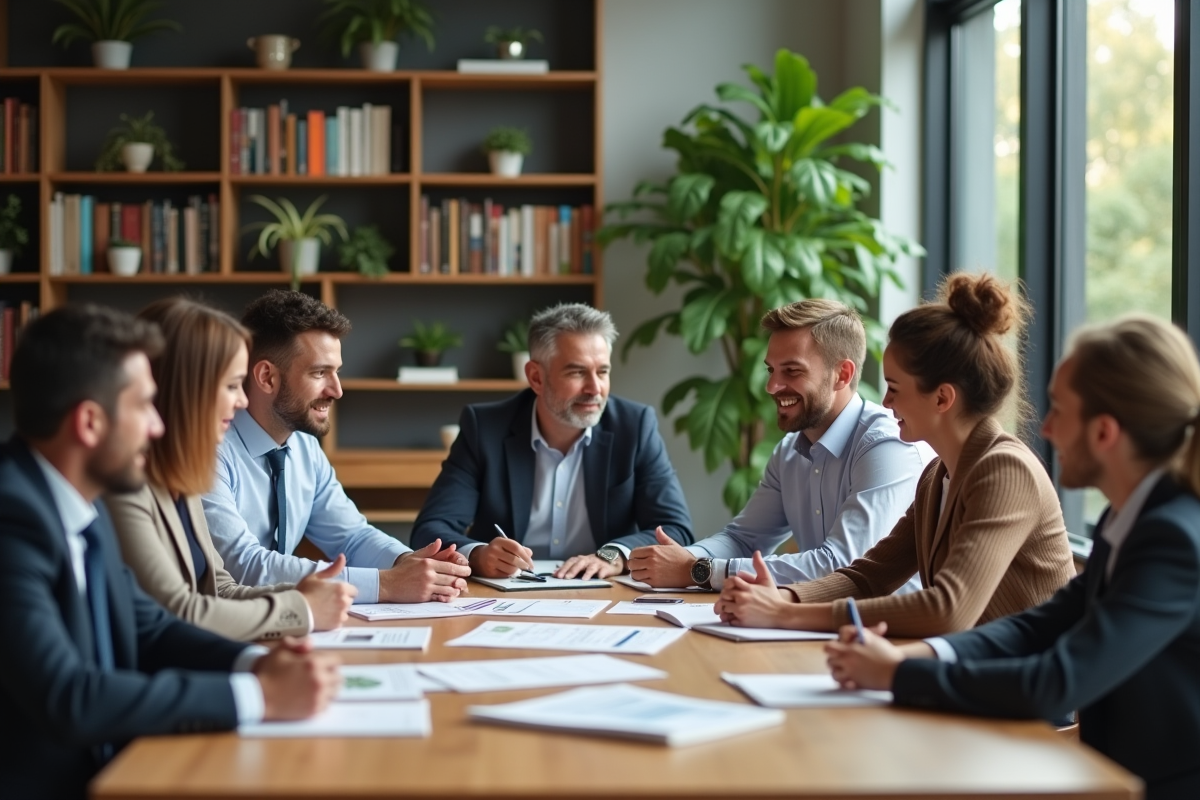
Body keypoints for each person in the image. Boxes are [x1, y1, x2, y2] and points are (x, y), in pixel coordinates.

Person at [825, 315, 1200, 800]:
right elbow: (1039, 624)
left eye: (1060, 410)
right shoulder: (1129, 518)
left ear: (1105, 432)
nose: (1045, 427)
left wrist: (899, 673)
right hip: (1111, 773)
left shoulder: (1170, 539)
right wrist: (918, 655)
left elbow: (1055, 682)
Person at [0, 305, 340, 800]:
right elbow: (69, 696)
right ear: (90, 423)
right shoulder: (13, 517)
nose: (158, 427)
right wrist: (257, 695)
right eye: (144, 406)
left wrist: (255, 665)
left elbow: (151, 627)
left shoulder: (78, 505)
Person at [715, 274, 1074, 635]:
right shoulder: (937, 475)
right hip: (972, 669)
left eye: (894, 388)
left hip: (1028, 684)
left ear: (942, 398)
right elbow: (869, 576)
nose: (885, 402)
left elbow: (948, 609)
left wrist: (785, 614)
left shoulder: (1006, 470)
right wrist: (785, 598)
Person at [627, 299, 929, 591]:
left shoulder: (886, 446)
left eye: (792, 371)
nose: (772, 387)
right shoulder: (789, 452)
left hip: (892, 635)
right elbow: (743, 539)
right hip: (820, 624)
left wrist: (698, 571)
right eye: (771, 370)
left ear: (842, 374)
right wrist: (685, 559)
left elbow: (842, 565)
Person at [106, 298, 356, 641]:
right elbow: (179, 611)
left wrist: (303, 598)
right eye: (231, 385)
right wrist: (302, 609)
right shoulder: (126, 487)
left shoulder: (183, 476)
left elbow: (218, 587)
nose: (242, 400)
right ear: (186, 390)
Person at [202, 290, 471, 603]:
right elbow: (243, 566)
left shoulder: (305, 449)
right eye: (319, 373)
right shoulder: (209, 450)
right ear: (267, 377)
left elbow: (352, 537)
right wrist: (385, 584)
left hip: (289, 623)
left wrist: (412, 564)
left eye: (337, 372)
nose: (337, 390)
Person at [410, 303, 694, 580]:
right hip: (506, 595)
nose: (595, 388)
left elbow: (675, 529)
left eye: (603, 372)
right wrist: (479, 555)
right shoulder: (484, 428)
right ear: (536, 377)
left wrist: (613, 555)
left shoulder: (635, 426)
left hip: (602, 591)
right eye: (577, 372)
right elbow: (430, 529)